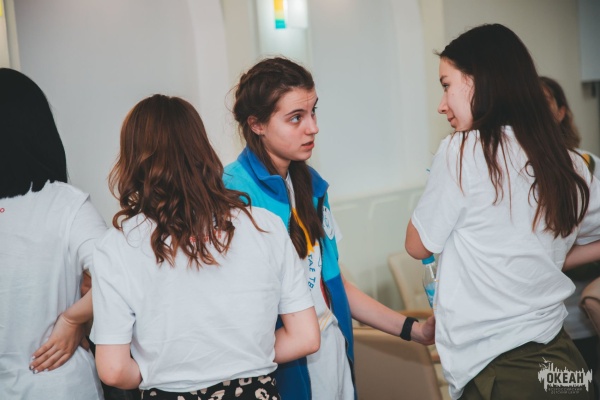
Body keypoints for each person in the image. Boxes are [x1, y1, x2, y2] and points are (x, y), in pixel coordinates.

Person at [405, 24, 600, 400]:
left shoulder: (462, 151)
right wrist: (550, 258)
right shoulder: (568, 161)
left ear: (479, 81)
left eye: (446, 85)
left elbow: (417, 245)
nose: (441, 104)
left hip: (501, 366)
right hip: (562, 357)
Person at [223, 56, 435, 400]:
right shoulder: (234, 194)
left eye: (313, 112)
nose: (313, 127)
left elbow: (333, 285)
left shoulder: (309, 183)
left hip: (332, 351)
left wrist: (415, 330)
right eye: (296, 117)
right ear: (257, 124)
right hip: (283, 367)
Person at [90, 94, 320, 400]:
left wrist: (159, 372)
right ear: (201, 148)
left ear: (133, 160)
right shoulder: (264, 225)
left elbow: (114, 370)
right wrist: (245, 359)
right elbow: (305, 337)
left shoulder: (117, 246)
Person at [0, 68, 106, 399]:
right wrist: (75, 319)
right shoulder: (66, 205)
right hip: (59, 384)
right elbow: (123, 276)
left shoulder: (66, 205)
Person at [540, 75, 600, 387]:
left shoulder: (585, 165)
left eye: (544, 101)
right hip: (539, 326)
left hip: (581, 316)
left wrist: (551, 259)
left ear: (561, 111)